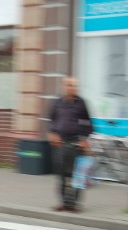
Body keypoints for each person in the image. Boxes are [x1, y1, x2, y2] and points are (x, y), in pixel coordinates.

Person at [47, 76, 93, 212]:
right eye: (69, 85)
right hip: (60, 143)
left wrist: (84, 139)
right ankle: (63, 203)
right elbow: (51, 120)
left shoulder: (81, 103)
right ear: (63, 87)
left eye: (74, 85)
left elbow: (89, 124)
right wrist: (52, 133)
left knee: (77, 176)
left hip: (76, 144)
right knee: (60, 175)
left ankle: (74, 204)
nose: (71, 88)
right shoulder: (57, 103)